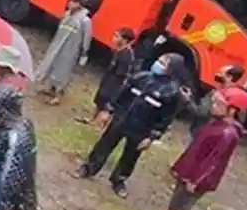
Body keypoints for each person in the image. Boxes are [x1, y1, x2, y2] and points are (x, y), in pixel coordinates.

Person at [138, 86, 247, 210]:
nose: (213, 106)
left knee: (176, 205)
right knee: (183, 203)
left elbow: (214, 161)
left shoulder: (227, 133)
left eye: (218, 104)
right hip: (190, 169)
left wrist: (196, 181)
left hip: (196, 176)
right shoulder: (217, 124)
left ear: (232, 110)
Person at [75, 52, 184, 198]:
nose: (157, 64)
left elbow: (165, 119)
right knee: (104, 145)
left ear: (172, 69)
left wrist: (152, 137)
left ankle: (119, 180)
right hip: (122, 120)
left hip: (141, 130)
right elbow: (121, 95)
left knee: (130, 157)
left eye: (163, 63)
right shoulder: (142, 77)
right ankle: (88, 168)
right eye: (159, 60)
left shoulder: (172, 92)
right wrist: (108, 110)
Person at [35, 0, 92, 105]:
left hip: (71, 50)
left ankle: (58, 95)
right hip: (57, 46)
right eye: (71, 1)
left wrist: (84, 52)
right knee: (52, 66)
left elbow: (86, 38)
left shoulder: (85, 21)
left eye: (75, 2)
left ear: (80, 4)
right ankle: (50, 88)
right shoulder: (67, 15)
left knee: (63, 72)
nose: (71, 3)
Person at [79, 27, 136, 125]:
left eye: (117, 36)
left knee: (106, 101)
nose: (114, 38)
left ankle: (101, 123)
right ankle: (92, 118)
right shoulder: (117, 50)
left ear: (125, 40)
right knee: (99, 99)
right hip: (108, 78)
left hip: (114, 82)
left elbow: (121, 74)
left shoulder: (127, 55)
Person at [181, 64, 246, 139]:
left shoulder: (217, 94)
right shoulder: (242, 95)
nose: (217, 74)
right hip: (223, 135)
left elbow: (200, 113)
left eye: (221, 73)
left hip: (202, 133)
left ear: (230, 77)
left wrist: (187, 99)